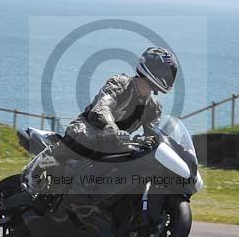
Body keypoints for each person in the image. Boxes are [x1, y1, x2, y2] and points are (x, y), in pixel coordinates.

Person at [36, 47, 179, 179]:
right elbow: (102, 107)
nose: (168, 75)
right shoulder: (120, 83)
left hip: (116, 144)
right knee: (84, 136)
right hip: (91, 128)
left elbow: (153, 134)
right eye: (165, 71)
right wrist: (112, 127)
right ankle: (37, 167)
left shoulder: (153, 107)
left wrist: (153, 142)